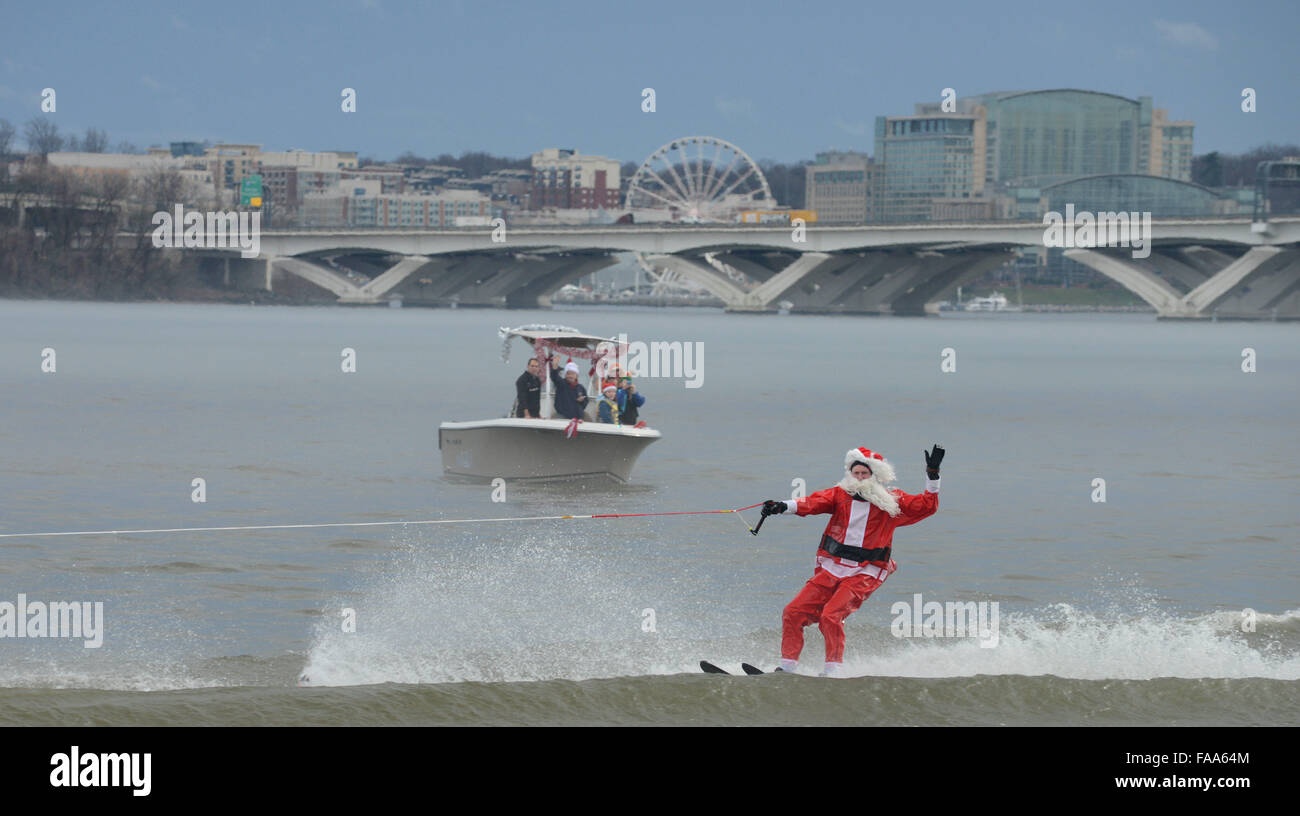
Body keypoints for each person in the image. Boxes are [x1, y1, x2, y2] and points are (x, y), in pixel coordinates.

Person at [760, 444, 944, 677]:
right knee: (792, 612)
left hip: (866, 572)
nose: (858, 478)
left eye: (864, 474)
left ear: (874, 476)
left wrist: (933, 475)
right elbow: (812, 503)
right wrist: (781, 506)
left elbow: (927, 506)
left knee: (831, 616)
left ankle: (833, 671)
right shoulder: (839, 494)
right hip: (832, 568)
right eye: (855, 473)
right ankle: (786, 668)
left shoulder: (891, 500)